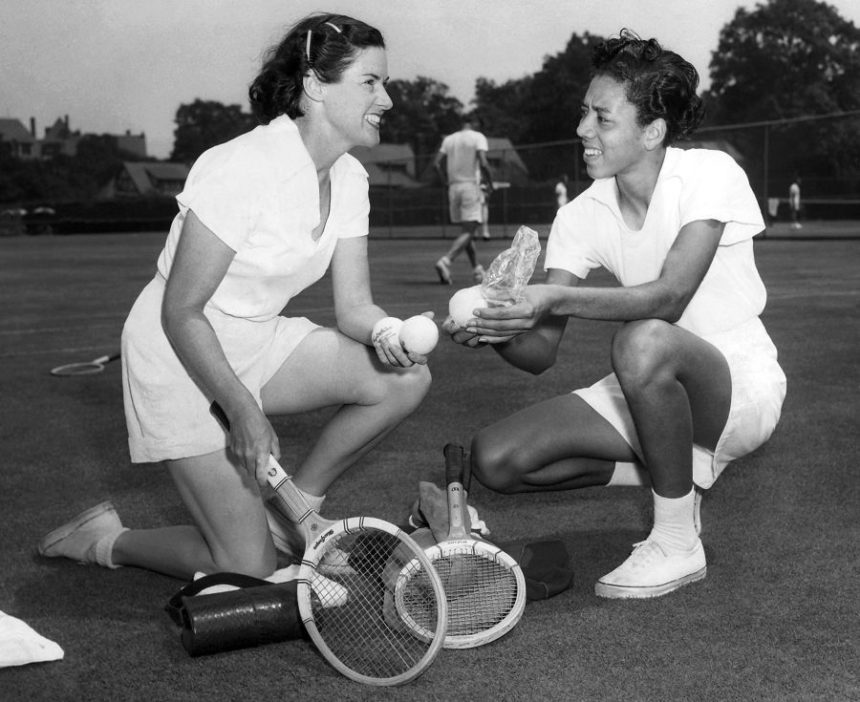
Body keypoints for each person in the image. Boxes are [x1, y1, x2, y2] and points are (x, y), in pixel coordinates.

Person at [37, 13, 433, 581]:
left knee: (405, 378)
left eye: (385, 82)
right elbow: (181, 310)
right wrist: (242, 409)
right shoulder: (241, 167)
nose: (387, 99)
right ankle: (107, 539)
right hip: (177, 351)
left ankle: (296, 514)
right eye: (371, 81)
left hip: (257, 336)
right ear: (316, 86)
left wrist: (388, 334)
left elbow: (354, 308)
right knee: (245, 568)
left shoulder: (350, 178)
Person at [449, 30, 786, 599]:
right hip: (650, 377)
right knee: (497, 460)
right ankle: (675, 471)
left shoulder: (708, 175)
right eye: (585, 113)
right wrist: (496, 326)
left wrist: (550, 298)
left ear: (652, 132)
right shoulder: (582, 215)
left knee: (643, 339)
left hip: (737, 381)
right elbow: (539, 354)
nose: (583, 130)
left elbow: (669, 298)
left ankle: (677, 539)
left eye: (602, 119)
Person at [433, 117, 495, 285]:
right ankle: (446, 261)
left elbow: (436, 164)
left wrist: (445, 181)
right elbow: (483, 161)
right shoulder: (478, 137)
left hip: (453, 188)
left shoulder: (449, 139)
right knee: (470, 230)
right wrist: (490, 183)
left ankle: (476, 268)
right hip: (470, 187)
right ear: (474, 124)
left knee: (466, 231)